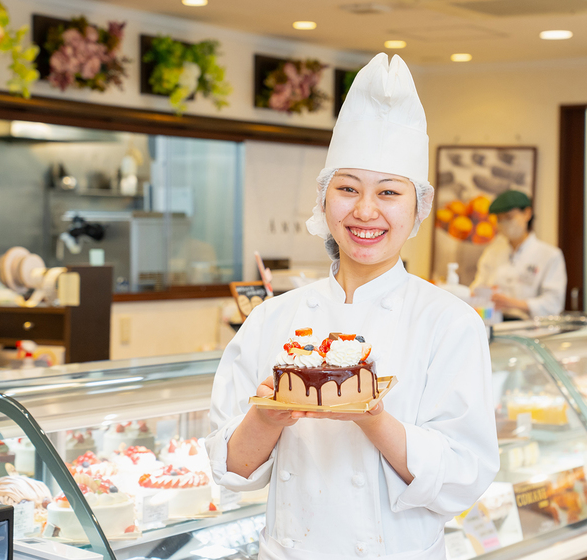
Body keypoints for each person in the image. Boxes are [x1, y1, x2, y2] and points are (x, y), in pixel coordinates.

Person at [206, 53, 498, 559]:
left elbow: (462, 477)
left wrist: (372, 416)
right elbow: (228, 469)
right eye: (347, 189)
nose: (365, 211)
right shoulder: (273, 318)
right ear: (324, 200)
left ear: (417, 208)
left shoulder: (448, 322)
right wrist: (270, 417)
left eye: (388, 193)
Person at [470, 190, 566, 320]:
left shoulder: (550, 255)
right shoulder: (491, 253)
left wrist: (514, 304)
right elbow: (477, 289)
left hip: (532, 329)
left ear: (527, 213)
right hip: (494, 324)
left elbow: (553, 303)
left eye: (509, 217)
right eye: (499, 219)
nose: (504, 224)